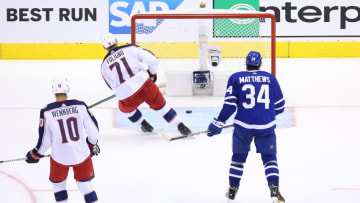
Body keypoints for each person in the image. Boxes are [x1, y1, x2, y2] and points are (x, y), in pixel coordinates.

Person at [207, 51, 286, 203]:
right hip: (266, 126)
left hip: (243, 126)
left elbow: (230, 105)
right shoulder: (270, 78)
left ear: (246, 63)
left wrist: (219, 122)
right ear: (260, 64)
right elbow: (280, 106)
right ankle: (274, 191)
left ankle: (232, 191)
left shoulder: (236, 78)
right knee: (269, 159)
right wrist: (266, 114)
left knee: (238, 158)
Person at [100, 33, 192, 136]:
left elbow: (111, 86)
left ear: (104, 47)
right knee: (161, 106)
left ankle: (144, 124)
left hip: (126, 94)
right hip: (145, 84)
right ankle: (181, 126)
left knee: (126, 111)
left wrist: (124, 89)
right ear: (116, 41)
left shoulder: (104, 65)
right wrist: (152, 74)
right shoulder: (131, 48)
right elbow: (153, 60)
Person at [25, 78, 100, 203]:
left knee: (58, 186)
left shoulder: (47, 111)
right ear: (68, 90)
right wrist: (91, 145)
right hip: (81, 154)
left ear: (54, 91)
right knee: (86, 187)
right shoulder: (80, 105)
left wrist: (35, 154)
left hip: (60, 157)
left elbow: (45, 140)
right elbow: (93, 131)